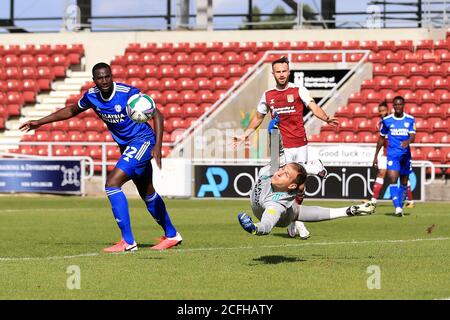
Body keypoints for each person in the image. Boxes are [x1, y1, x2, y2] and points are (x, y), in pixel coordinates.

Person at [19, 62, 182, 252]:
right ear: (94, 80)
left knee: (112, 184)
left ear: (112, 76)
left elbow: (158, 115)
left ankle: (128, 242)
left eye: (107, 76)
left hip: (142, 141)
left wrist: (158, 146)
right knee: (147, 193)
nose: (104, 81)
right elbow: (71, 110)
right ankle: (172, 235)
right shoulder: (91, 96)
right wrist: (40, 122)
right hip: (127, 146)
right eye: (100, 78)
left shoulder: (128, 93)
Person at [233, 56, 339, 239]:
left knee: (300, 187)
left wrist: (326, 118)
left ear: (289, 72)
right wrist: (244, 135)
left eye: (284, 71)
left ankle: (294, 219)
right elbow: (258, 117)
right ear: (273, 73)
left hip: (300, 143)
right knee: (285, 184)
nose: (281, 74)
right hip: (281, 146)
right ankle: (314, 171)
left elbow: (313, 107)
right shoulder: (268, 95)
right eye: (278, 71)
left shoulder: (299, 90)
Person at [237, 162, 375, 236]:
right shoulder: (271, 171)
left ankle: (315, 169)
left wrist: (254, 228)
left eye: (285, 174)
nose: (279, 172)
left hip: (282, 217)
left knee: (295, 213)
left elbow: (266, 225)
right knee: (299, 211)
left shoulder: (275, 205)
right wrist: (274, 129)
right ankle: (348, 210)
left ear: (291, 185)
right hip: (285, 205)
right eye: (282, 169)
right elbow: (275, 149)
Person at [372, 96, 416, 217]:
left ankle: (400, 205)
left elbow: (413, 136)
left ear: (403, 105)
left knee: (404, 182)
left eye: (400, 104)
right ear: (393, 106)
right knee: (392, 179)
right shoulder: (387, 121)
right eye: (395, 104)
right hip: (392, 155)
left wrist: (408, 141)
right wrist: (376, 155)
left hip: (406, 155)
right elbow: (381, 139)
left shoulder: (410, 119)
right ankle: (397, 207)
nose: (398, 106)